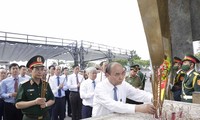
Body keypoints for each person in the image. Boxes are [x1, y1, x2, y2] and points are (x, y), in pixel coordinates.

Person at [15, 55, 55, 120]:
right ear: (30, 70)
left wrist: (46, 104)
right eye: (37, 69)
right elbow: (18, 105)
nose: (40, 72)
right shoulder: (24, 85)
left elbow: (52, 99)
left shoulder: (46, 84)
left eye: (42, 69)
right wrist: (35, 102)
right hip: (30, 118)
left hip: (45, 117)